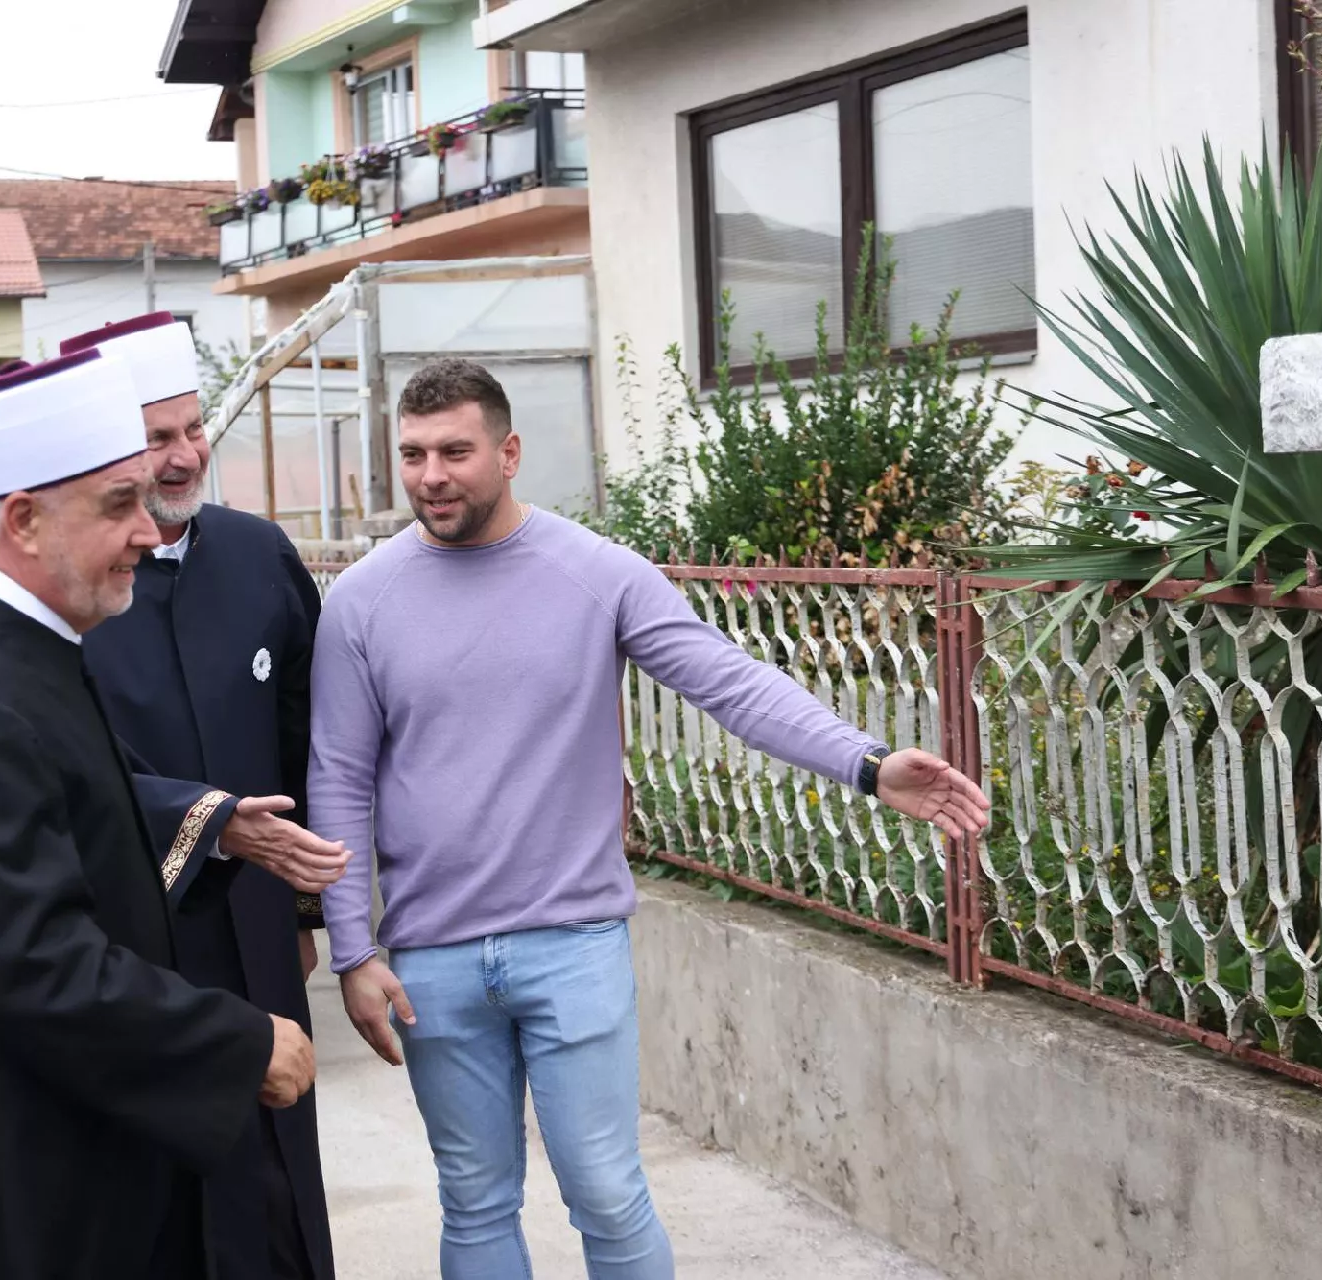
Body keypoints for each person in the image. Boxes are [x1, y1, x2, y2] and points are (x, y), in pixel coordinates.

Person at [308, 359, 992, 1279]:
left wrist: (865, 764)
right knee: (473, 1201)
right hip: (431, 957)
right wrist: (353, 951)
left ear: (508, 453)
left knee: (605, 1193)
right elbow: (338, 779)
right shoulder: (361, 600)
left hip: (572, 942)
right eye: (413, 454)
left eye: (455, 452)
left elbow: (730, 684)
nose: (430, 476)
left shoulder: (594, 573)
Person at [0, 349, 346, 1280]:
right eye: (118, 504)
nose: (148, 532)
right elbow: (37, 966)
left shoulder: (22, 658)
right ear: (23, 520)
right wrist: (237, 1044)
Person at [65, 312, 334, 1280]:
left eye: (192, 429)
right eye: (156, 437)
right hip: (134, 944)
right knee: (168, 1200)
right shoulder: (75, 589)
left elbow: (309, 739)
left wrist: (303, 910)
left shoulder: (260, 555)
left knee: (277, 1187)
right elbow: (62, 769)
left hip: (258, 931)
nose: (183, 456)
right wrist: (204, 823)